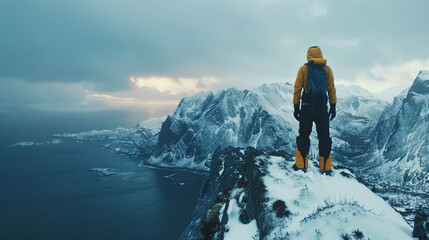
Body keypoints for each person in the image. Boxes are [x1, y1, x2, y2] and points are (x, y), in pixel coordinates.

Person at [293, 46, 336, 174]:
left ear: (308, 56)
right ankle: (325, 167)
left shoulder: (303, 69)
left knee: (304, 136)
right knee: (324, 137)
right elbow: (331, 89)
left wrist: (296, 107)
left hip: (307, 107)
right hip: (322, 108)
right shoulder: (327, 70)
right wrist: (333, 106)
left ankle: (302, 165)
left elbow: (297, 89)